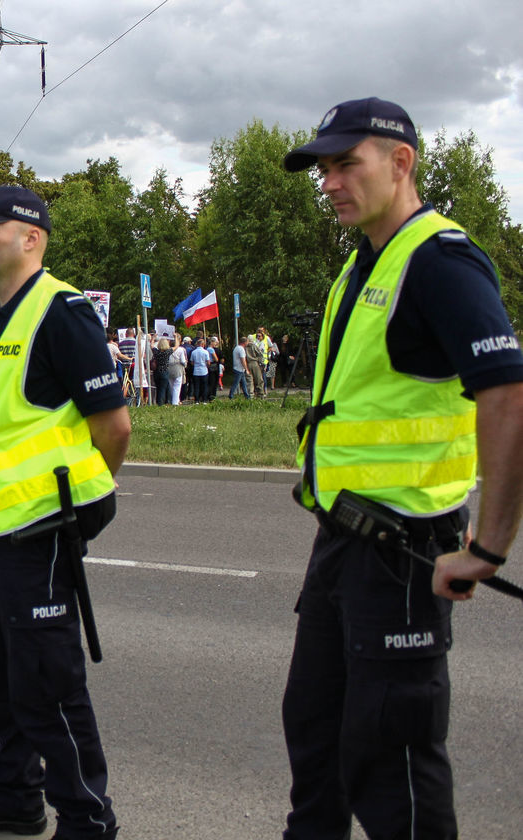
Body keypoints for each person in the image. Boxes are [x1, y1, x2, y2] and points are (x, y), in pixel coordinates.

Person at [280, 97, 523, 840]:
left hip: (403, 551)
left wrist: (486, 548)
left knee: (394, 761)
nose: (329, 183)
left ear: (401, 162)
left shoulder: (439, 260)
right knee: (315, 732)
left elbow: (508, 393)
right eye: (323, 169)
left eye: (346, 163)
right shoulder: (362, 266)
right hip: (342, 544)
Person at [0, 187, 129, 840]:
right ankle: (16, 794)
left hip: (40, 530)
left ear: (31, 238)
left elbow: (115, 426)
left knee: (49, 687)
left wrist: (82, 505)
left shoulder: (62, 311)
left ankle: (86, 820)